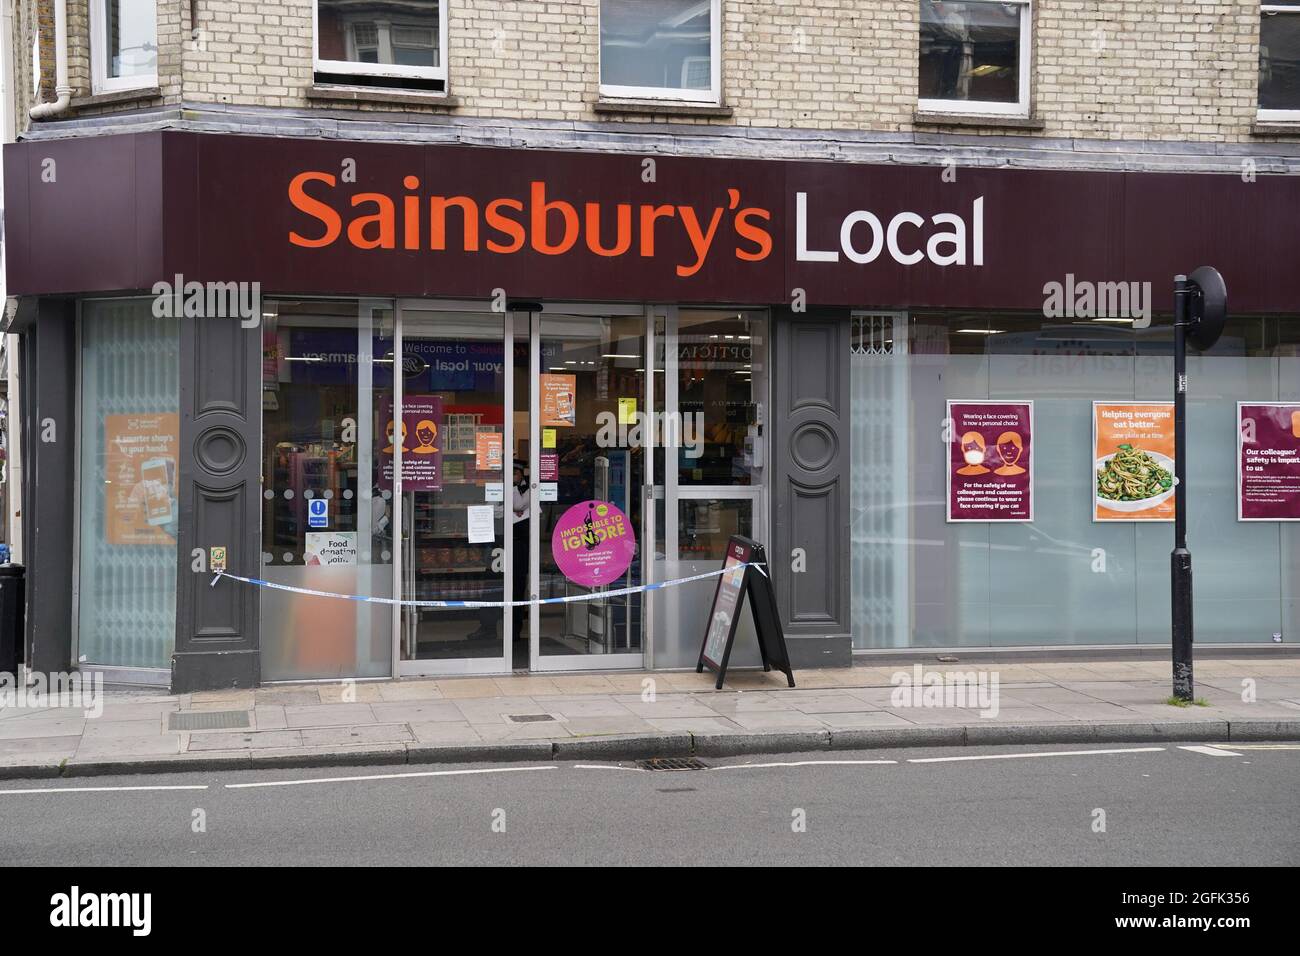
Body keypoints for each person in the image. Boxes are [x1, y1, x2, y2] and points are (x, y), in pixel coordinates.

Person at [466, 460, 530, 643]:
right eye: (510, 473)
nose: (513, 477)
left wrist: (511, 509)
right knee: (493, 587)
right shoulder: (497, 489)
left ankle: (514, 632)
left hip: (520, 545)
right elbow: (492, 511)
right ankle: (487, 628)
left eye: (516, 473)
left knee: (518, 588)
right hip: (499, 544)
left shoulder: (528, 490)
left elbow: (532, 511)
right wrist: (510, 510)